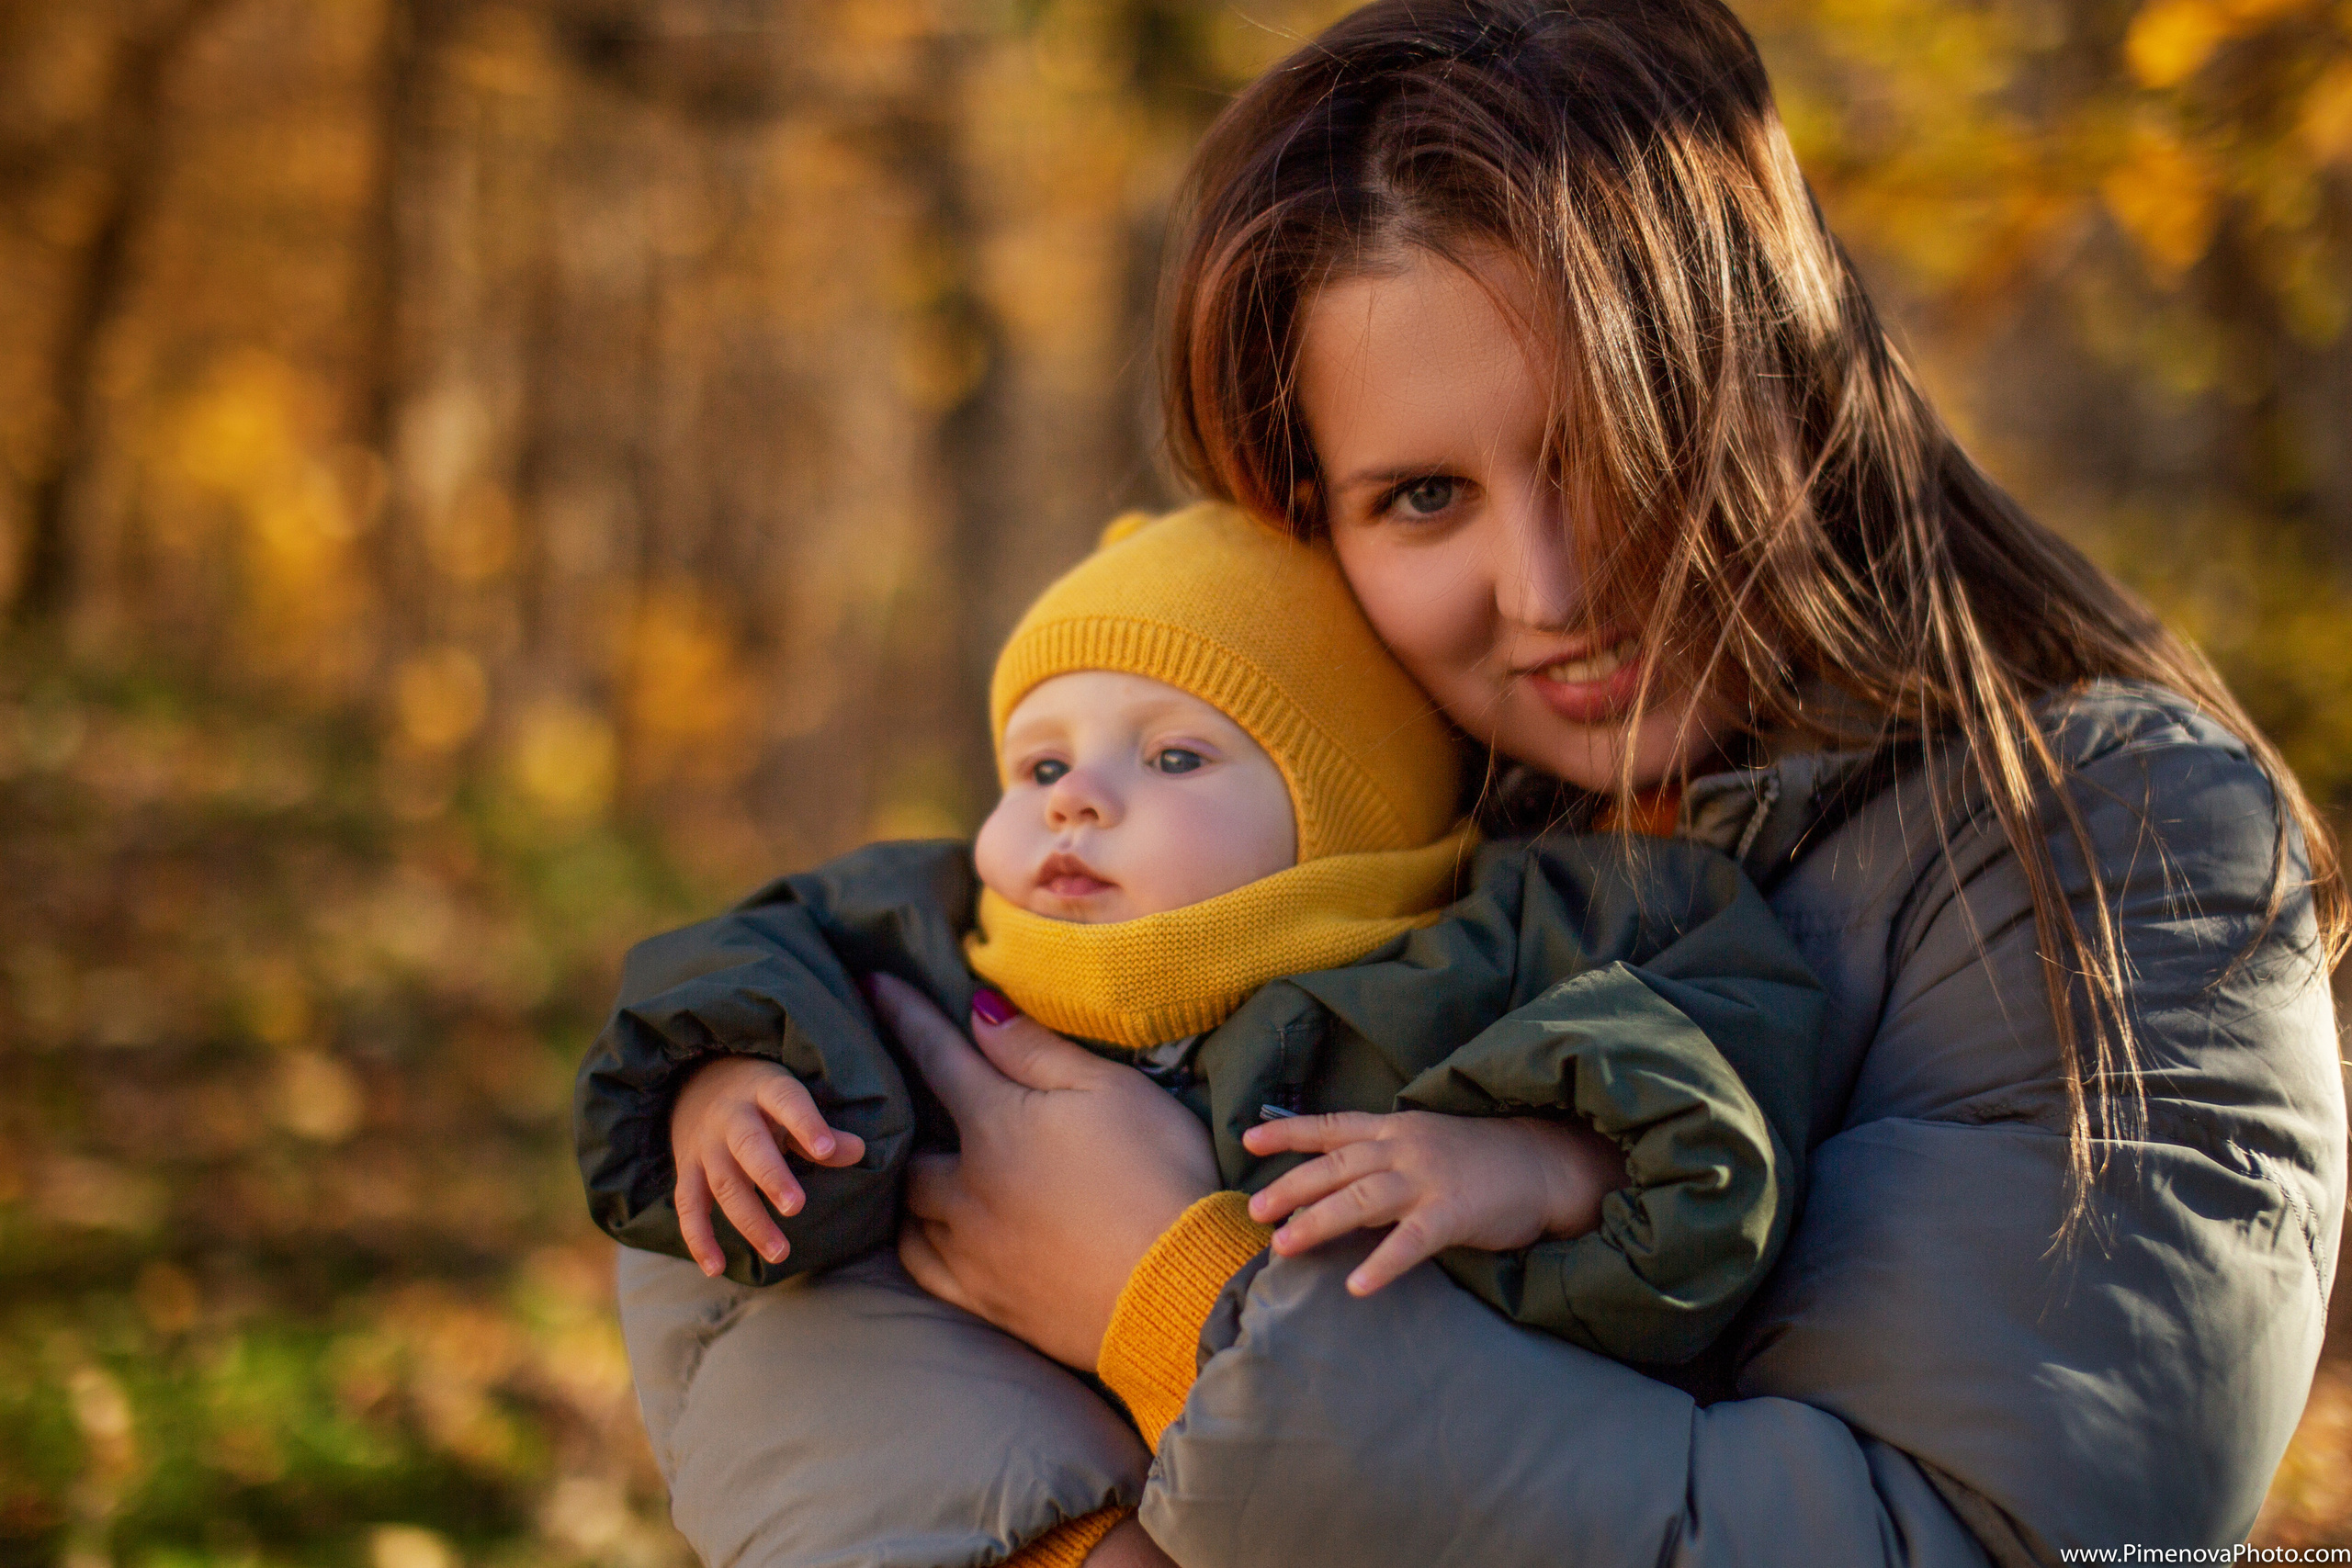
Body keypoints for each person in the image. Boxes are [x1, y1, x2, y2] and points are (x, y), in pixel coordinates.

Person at [606, 0, 2349, 1562]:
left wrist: (1187, 1309)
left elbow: (1978, 1535)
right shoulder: (1337, 820)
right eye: (1421, 496)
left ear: (1786, 381)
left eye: (1613, 446)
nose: (1551, 590)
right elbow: (747, 1214)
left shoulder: (2114, 848)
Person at [577, 502, 1827, 1563]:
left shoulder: (1466, 957)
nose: (1076, 800)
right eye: (1038, 764)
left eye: (1176, 757)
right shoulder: (934, 932)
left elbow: (1712, 1065)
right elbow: (749, 956)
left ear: (1345, 820)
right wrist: (728, 1076)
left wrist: (1543, 1163)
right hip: (999, 1495)